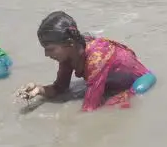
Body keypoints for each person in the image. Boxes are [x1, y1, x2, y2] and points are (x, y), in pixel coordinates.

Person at [24, 10, 156, 112]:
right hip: (111, 83)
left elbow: (90, 108)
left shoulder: (96, 59)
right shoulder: (69, 54)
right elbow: (61, 88)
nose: (46, 54)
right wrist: (39, 90)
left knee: (115, 104)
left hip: (140, 80)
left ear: (69, 43)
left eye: (50, 49)